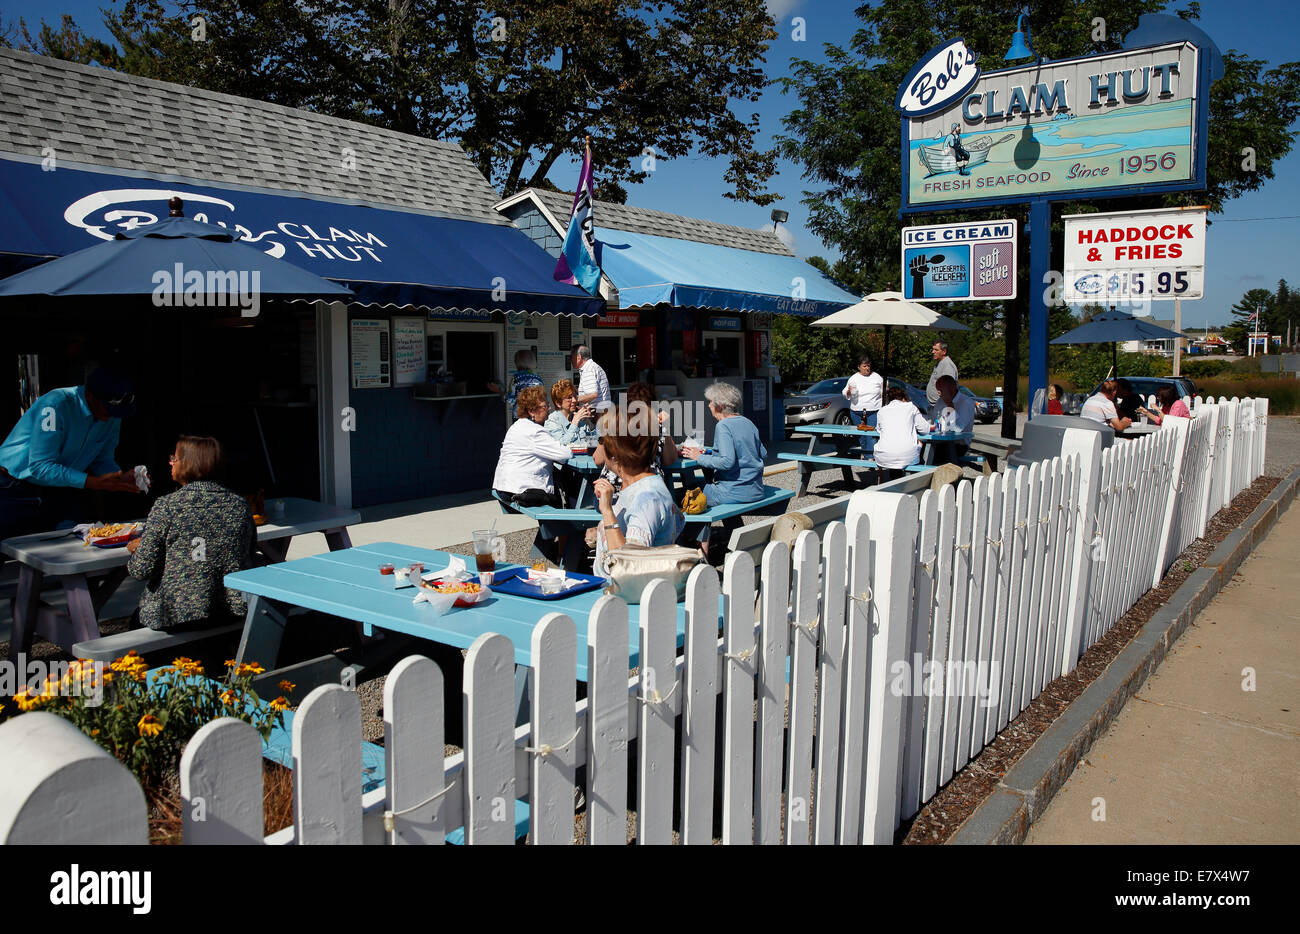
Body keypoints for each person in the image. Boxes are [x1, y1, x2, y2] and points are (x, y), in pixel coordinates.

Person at [125, 436, 255, 631]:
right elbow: (248, 552)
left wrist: (139, 548)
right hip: (230, 610)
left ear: (188, 464)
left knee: (135, 623)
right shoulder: (240, 504)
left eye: (174, 458)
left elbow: (141, 570)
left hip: (176, 615)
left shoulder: (168, 506)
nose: (170, 462)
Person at [0, 367, 142, 541]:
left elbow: (102, 458)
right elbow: (40, 466)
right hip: (14, 486)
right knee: (11, 552)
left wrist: (118, 477)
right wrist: (91, 482)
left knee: (73, 546)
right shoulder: (56, 404)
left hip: (60, 487)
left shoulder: (112, 415)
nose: (110, 417)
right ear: (89, 395)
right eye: (107, 409)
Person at [592, 413, 686, 578]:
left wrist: (607, 512)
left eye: (602, 442)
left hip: (625, 598)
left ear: (615, 452)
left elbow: (628, 565)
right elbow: (677, 522)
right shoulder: (642, 487)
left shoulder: (646, 498)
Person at [679, 381, 765, 506]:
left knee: (685, 494)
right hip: (756, 490)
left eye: (710, 402)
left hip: (732, 493)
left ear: (719, 406)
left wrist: (698, 457)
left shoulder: (723, 426)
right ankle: (731, 525)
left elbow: (727, 462)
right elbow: (763, 453)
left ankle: (699, 526)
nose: (709, 405)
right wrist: (710, 452)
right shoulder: (748, 422)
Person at [491, 385, 572, 505]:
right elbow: (565, 455)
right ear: (532, 411)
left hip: (503, 487)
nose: (549, 409)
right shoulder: (535, 431)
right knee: (564, 492)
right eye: (545, 406)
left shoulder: (516, 426)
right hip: (520, 491)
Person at [874, 386, 931, 481]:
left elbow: (879, 430)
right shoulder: (911, 407)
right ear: (904, 398)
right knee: (914, 446)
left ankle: (895, 481)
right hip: (907, 455)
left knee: (894, 450)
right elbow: (925, 429)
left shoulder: (882, 411)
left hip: (884, 455)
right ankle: (914, 482)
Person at [926, 374, 974, 464]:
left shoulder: (966, 402)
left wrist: (950, 405)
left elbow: (958, 428)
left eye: (940, 389)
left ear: (951, 388)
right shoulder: (940, 402)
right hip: (939, 441)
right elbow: (933, 421)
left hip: (959, 444)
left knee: (936, 453)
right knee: (921, 448)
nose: (938, 392)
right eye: (937, 389)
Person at [843, 355, 884, 454]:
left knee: (871, 435)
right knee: (861, 435)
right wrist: (847, 392)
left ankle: (871, 457)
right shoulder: (853, 378)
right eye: (865, 366)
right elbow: (845, 391)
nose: (867, 368)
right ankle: (866, 455)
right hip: (857, 411)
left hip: (874, 410)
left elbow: (884, 391)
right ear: (859, 367)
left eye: (869, 366)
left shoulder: (877, 377)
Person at [544, 379, 597, 449]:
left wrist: (588, 421)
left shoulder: (579, 418)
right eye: (569, 398)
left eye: (575, 396)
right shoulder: (552, 421)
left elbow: (593, 444)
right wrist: (575, 422)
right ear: (558, 403)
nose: (574, 400)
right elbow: (560, 446)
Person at [497, 349, 544, 421]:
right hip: (535, 415)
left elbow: (511, 400)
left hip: (520, 416)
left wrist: (499, 391)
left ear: (517, 362)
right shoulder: (538, 379)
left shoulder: (516, 378)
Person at [572, 344, 611, 411]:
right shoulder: (592, 367)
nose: (571, 360)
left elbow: (593, 395)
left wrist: (574, 399)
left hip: (596, 412)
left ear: (578, 357)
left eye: (571, 357)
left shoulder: (588, 370)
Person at [926, 341, 959, 406]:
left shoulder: (948, 366)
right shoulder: (939, 363)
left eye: (936, 350)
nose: (933, 352)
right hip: (936, 404)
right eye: (933, 349)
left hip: (942, 406)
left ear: (944, 352)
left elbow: (948, 389)